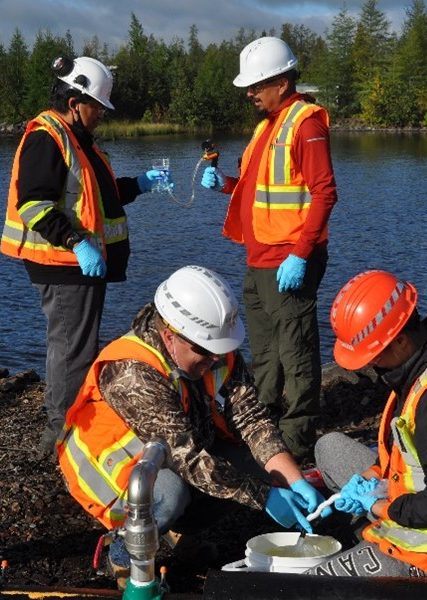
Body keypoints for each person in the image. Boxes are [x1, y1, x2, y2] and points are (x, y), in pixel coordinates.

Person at [56, 265, 332, 586]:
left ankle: (176, 529)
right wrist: (263, 496)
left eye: (221, 350)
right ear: (170, 336)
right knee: (171, 493)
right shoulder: (131, 372)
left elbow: (251, 418)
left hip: (172, 459)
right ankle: (122, 551)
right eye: (206, 351)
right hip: (114, 476)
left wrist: (292, 479)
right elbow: (187, 459)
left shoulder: (213, 351)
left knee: (258, 469)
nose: (217, 359)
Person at [1, 56, 170, 456]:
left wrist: (140, 185)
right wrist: (76, 242)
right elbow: (34, 205)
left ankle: (72, 420)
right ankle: (62, 434)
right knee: (70, 349)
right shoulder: (47, 137)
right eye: (97, 107)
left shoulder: (77, 141)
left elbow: (100, 197)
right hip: (63, 263)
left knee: (76, 344)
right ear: (76, 101)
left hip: (80, 262)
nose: (101, 116)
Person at [307, 270, 427, 579]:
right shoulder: (420, 362)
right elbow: (408, 453)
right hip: (414, 500)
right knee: (329, 447)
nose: (369, 364)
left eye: (372, 355)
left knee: (306, 585)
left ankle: (386, 562)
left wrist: (378, 507)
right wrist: (371, 477)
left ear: (399, 341)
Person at [201, 37, 337, 464]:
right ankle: (264, 423)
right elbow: (253, 188)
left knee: (295, 346)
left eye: (256, 84)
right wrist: (223, 183)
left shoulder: (305, 123)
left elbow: (325, 193)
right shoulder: (267, 127)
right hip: (259, 260)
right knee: (264, 347)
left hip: (289, 258)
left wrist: (300, 253)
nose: (250, 93)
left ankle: (297, 436)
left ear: (281, 81)